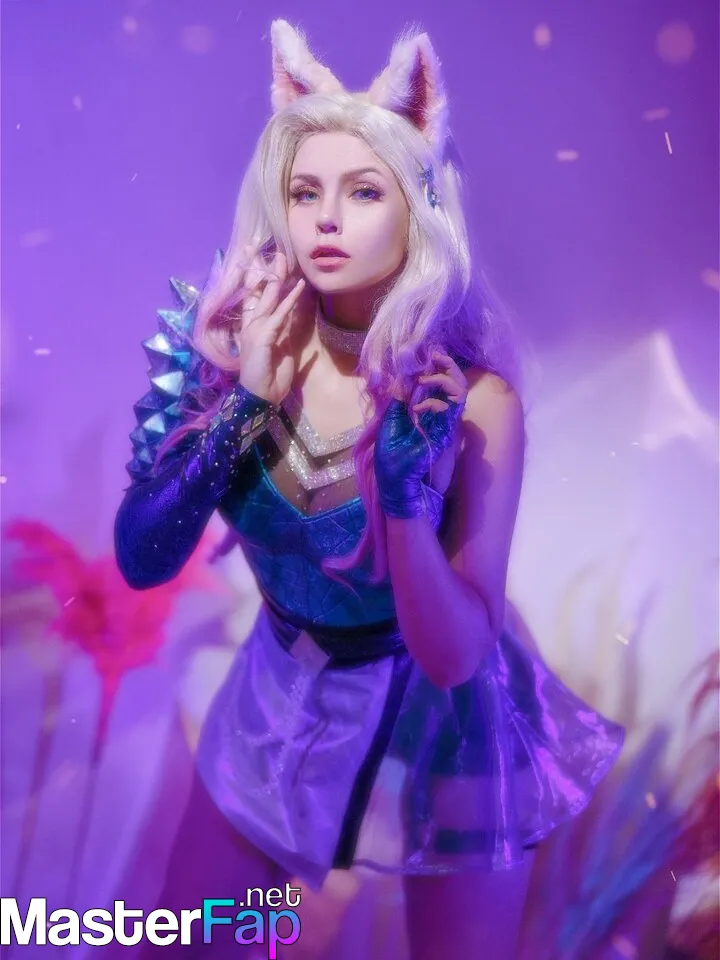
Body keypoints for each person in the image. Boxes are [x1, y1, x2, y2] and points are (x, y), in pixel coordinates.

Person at [115, 20, 625, 958]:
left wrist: (404, 502)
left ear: (420, 204)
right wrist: (245, 403)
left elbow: (453, 657)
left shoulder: (470, 401)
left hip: (446, 718)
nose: (325, 219)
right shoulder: (228, 338)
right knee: (183, 941)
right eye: (305, 191)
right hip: (281, 689)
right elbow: (142, 558)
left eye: (362, 191)